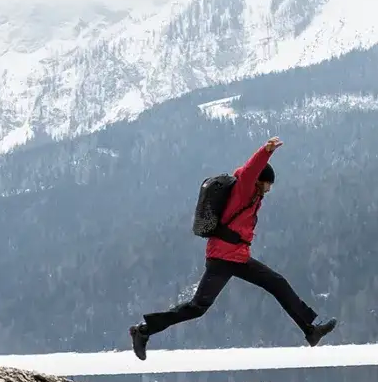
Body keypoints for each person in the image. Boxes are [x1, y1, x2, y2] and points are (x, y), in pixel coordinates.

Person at [129, 137, 336, 360]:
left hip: (237, 257)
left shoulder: (254, 197)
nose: (269, 189)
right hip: (222, 258)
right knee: (197, 307)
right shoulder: (243, 190)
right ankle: (143, 330)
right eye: (268, 184)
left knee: (277, 283)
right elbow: (250, 170)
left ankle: (310, 330)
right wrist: (266, 151)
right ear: (259, 181)